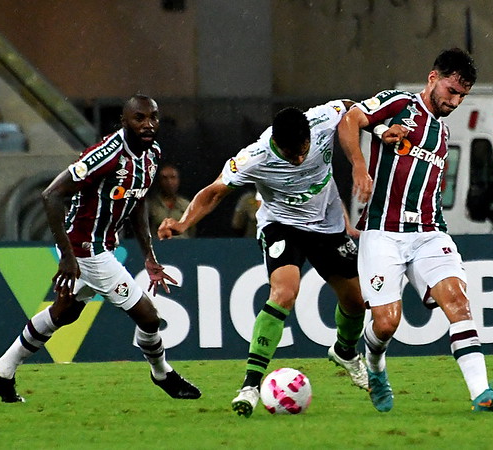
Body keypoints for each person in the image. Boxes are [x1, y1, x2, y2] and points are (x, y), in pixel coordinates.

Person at [0, 95, 201, 402]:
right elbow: (51, 195)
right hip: (84, 248)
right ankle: (163, 373)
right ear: (124, 122)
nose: (148, 124)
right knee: (148, 318)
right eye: (139, 118)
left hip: (100, 246)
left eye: (153, 117)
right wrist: (69, 257)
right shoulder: (106, 154)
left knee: (64, 312)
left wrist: (149, 256)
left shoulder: (152, 153)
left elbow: (135, 202)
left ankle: (2, 370)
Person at [338, 48, 493, 413]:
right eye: (452, 91)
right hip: (383, 231)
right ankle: (374, 366)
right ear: (433, 77)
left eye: (462, 96)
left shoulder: (442, 132)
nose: (455, 101)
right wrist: (359, 165)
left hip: (428, 232)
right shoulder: (399, 104)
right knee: (387, 323)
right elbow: (349, 119)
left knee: (457, 301)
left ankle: (481, 393)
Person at [158, 101, 368, 418]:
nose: (299, 158)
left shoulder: (323, 119)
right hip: (282, 225)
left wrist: (374, 137)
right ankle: (251, 385)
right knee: (284, 292)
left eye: (303, 151)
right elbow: (214, 192)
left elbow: (355, 110)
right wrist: (183, 223)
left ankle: (345, 352)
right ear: (276, 145)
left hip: (327, 225)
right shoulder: (255, 157)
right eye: (290, 154)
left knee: (355, 301)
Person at [148, 163, 195, 239]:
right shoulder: (150, 205)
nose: (169, 182)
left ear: (178, 180)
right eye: (165, 178)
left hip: (184, 246)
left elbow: (192, 231)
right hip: (158, 245)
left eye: (173, 177)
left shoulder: (187, 205)